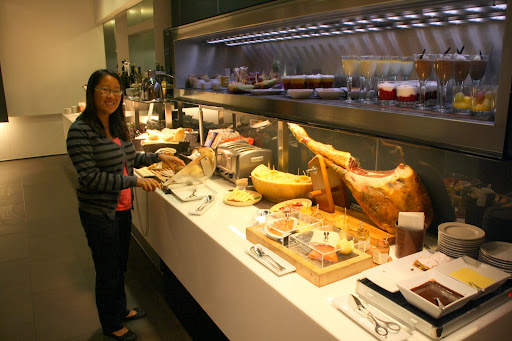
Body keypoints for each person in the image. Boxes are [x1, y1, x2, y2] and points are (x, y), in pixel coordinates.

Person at [66, 69, 185, 341]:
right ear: (92, 92)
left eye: (116, 91)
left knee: (119, 264)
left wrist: (157, 157)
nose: (112, 96)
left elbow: (129, 159)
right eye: (105, 90)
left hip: (121, 208)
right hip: (99, 212)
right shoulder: (80, 131)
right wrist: (133, 182)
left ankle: (119, 309)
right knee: (106, 268)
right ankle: (111, 324)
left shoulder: (116, 124)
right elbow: (91, 178)